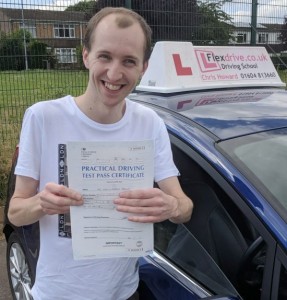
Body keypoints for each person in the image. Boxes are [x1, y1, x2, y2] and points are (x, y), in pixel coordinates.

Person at [8, 6, 193, 300]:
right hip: (58, 292)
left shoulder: (150, 123)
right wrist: (43, 203)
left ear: (143, 68)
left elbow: (185, 207)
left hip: (124, 291)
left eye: (129, 61)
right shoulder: (43, 118)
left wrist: (171, 206)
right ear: (86, 56)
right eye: (104, 56)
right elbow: (16, 214)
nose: (115, 73)